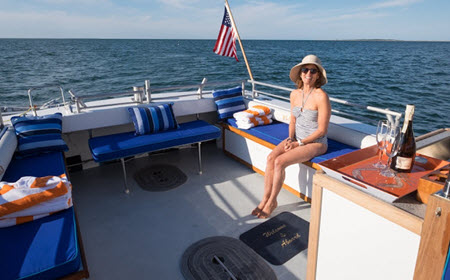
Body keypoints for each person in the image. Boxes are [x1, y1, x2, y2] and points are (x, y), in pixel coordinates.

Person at [252, 54, 331, 219]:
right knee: (271, 157)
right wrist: (290, 138)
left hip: (316, 143)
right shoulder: (294, 94)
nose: (308, 74)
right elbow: (293, 121)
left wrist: (299, 143)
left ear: (318, 76)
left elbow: (322, 130)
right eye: (305, 70)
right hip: (296, 139)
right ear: (300, 73)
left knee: (280, 162)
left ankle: (273, 201)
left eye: (313, 71)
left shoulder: (321, 96)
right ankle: (265, 198)